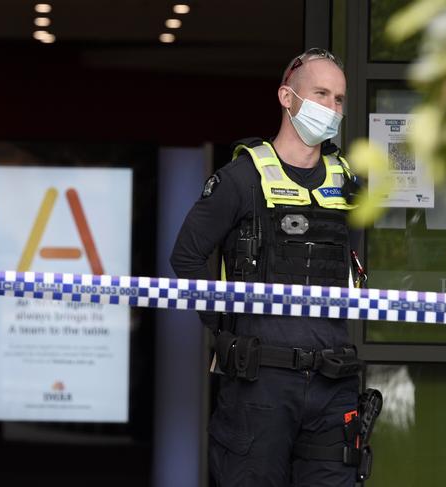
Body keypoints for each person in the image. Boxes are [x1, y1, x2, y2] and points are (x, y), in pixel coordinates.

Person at [170, 48, 371, 487]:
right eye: (320, 93)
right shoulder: (241, 179)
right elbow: (185, 255)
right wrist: (226, 327)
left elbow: (352, 270)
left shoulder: (350, 186)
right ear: (287, 97)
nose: (331, 108)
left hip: (333, 380)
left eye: (339, 98)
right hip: (261, 383)